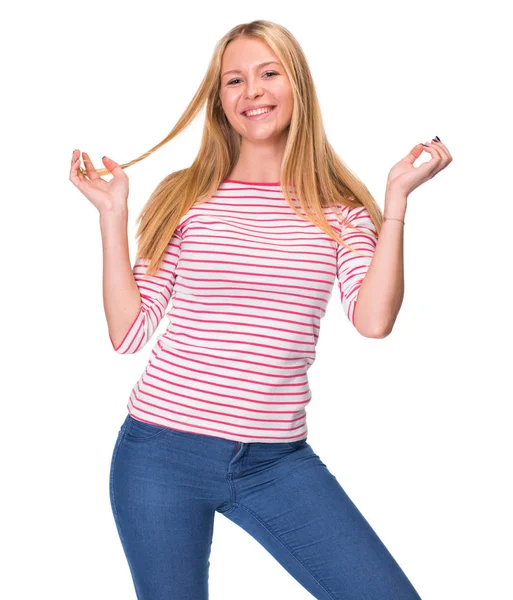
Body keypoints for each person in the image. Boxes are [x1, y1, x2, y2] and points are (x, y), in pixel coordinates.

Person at [69, 18, 451, 600]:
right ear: (220, 101)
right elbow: (129, 332)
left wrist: (395, 199)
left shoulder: (341, 212)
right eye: (234, 81)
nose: (253, 92)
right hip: (159, 455)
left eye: (269, 73)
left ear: (297, 86)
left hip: (275, 463)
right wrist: (112, 216)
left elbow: (373, 321)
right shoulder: (186, 197)